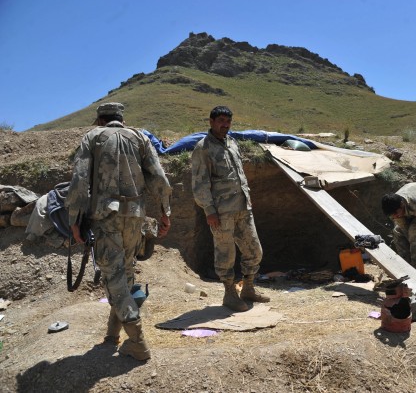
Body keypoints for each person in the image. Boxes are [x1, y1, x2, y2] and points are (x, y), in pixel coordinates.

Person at [66, 102, 172, 361]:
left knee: (114, 277)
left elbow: (79, 181)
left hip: (106, 217)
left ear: (100, 120)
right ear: (121, 119)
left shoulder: (93, 137)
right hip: (135, 216)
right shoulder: (140, 138)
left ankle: (137, 342)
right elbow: (159, 178)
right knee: (123, 274)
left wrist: (73, 219)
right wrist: (165, 212)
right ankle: (112, 335)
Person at [191, 105, 269, 312]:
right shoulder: (203, 148)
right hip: (221, 212)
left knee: (254, 250)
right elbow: (200, 184)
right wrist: (209, 210)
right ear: (211, 122)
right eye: (221, 121)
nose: (225, 125)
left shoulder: (232, 143)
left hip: (243, 208)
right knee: (225, 255)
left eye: (228, 122)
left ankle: (248, 288)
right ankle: (229, 294)